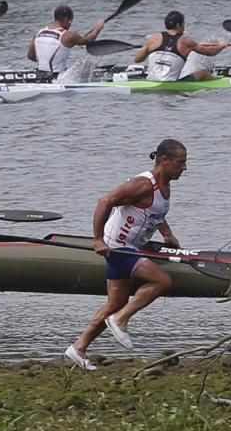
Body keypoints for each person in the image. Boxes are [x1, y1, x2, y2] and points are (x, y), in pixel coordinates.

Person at [64, 139, 188, 370]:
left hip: (131, 246)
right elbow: (105, 201)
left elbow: (155, 213)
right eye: (180, 163)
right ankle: (121, 319)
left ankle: (78, 348)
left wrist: (167, 234)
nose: (185, 168)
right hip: (118, 247)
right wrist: (98, 239)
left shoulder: (164, 187)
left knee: (116, 302)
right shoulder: (142, 184)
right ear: (163, 161)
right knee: (162, 281)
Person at [134, 11, 231, 81]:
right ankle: (218, 83)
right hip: (172, 84)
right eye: (183, 23)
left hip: (152, 81)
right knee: (203, 72)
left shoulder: (153, 38)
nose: (184, 26)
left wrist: (146, 47)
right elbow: (210, 52)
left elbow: (137, 60)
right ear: (178, 25)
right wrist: (222, 45)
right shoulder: (185, 41)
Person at [27, 5, 106, 74]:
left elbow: (31, 56)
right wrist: (98, 27)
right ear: (66, 19)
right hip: (58, 77)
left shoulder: (39, 33)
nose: (70, 24)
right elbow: (89, 40)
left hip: (41, 73)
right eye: (70, 21)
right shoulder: (69, 35)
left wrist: (45, 63)